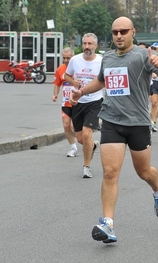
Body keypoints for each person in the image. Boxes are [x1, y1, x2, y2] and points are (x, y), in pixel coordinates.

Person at [70, 16, 158, 243]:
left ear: (132, 32)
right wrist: (82, 92)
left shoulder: (143, 55)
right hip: (111, 121)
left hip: (137, 123)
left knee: (144, 172)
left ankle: (157, 190)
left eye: (123, 31)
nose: (119, 35)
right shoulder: (107, 57)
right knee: (109, 173)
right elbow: (102, 81)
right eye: (115, 32)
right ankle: (108, 224)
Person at [64, 33, 102, 178]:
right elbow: (66, 76)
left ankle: (86, 167)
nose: (87, 47)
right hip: (78, 102)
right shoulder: (75, 60)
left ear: (95, 46)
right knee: (80, 139)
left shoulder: (101, 61)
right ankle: (92, 146)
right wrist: (73, 82)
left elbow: (105, 80)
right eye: (85, 44)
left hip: (95, 101)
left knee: (87, 134)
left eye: (90, 44)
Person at [52, 47, 78, 157]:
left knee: (78, 129)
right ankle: (73, 148)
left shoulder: (79, 68)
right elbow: (57, 83)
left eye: (68, 58)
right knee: (67, 126)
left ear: (73, 57)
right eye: (64, 58)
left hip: (78, 103)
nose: (66, 60)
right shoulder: (60, 69)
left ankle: (89, 144)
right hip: (66, 103)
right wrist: (55, 94)